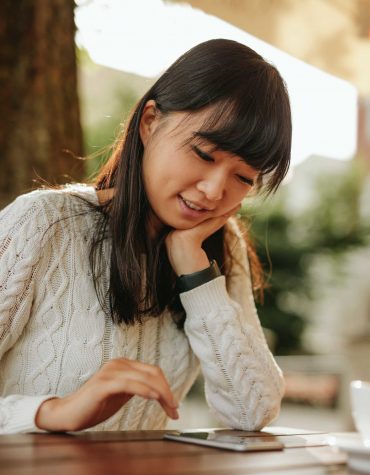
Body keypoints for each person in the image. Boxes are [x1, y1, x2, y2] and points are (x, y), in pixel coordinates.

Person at [0, 38, 291, 434]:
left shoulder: (220, 249)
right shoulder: (45, 224)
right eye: (204, 154)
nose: (213, 190)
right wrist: (52, 413)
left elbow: (251, 412)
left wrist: (196, 274)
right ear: (150, 123)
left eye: (243, 177)